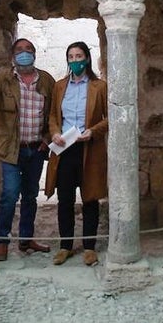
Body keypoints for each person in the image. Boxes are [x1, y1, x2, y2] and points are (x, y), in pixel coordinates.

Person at [0, 37, 56, 262]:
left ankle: (26, 239)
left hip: (37, 149)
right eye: (20, 50)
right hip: (11, 149)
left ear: (35, 54)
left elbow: (54, 113)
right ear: (13, 56)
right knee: (10, 194)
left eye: (29, 49)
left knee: (31, 195)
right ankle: (2, 241)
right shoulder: (4, 79)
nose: (25, 53)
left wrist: (47, 138)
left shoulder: (47, 80)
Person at [45, 41, 108, 267]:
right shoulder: (60, 86)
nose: (75, 60)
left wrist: (93, 131)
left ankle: (89, 247)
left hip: (89, 148)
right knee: (65, 199)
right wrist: (54, 133)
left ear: (87, 58)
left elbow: (110, 118)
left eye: (79, 56)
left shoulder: (99, 87)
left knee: (90, 197)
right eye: (71, 57)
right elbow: (53, 115)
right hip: (65, 148)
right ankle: (65, 246)